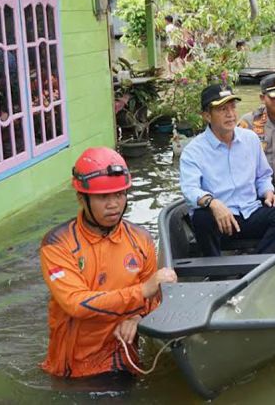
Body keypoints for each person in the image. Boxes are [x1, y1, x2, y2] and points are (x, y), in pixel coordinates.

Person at [40, 147, 177, 378]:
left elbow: (153, 299)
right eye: (103, 197)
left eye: (120, 194)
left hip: (121, 359)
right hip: (74, 368)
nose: (114, 204)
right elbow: (76, 303)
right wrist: (141, 291)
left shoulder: (140, 239)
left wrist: (137, 317)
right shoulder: (57, 244)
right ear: (82, 198)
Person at [180, 84, 275, 257]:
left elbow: (263, 176)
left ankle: (258, 263)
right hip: (220, 221)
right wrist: (214, 204)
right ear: (207, 115)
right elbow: (190, 189)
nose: (230, 114)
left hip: (250, 212)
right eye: (222, 109)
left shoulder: (249, 138)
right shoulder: (194, 150)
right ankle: (216, 273)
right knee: (201, 217)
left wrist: (268, 193)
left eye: (232, 108)